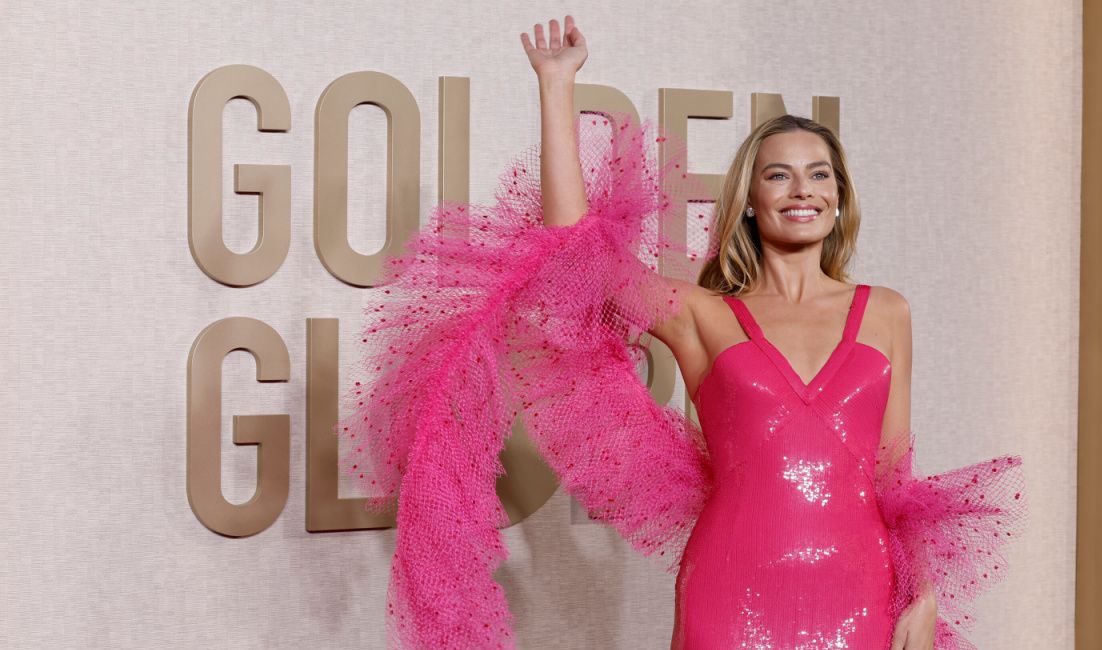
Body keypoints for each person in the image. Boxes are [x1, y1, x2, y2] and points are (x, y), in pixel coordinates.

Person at [338, 14, 1026, 650]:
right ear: (752, 203)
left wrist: (923, 588)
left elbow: (893, 476)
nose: (801, 189)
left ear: (839, 196)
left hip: (864, 591)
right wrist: (557, 87)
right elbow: (580, 262)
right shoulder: (705, 316)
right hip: (733, 590)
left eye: (819, 174)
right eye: (778, 176)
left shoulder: (888, 312)